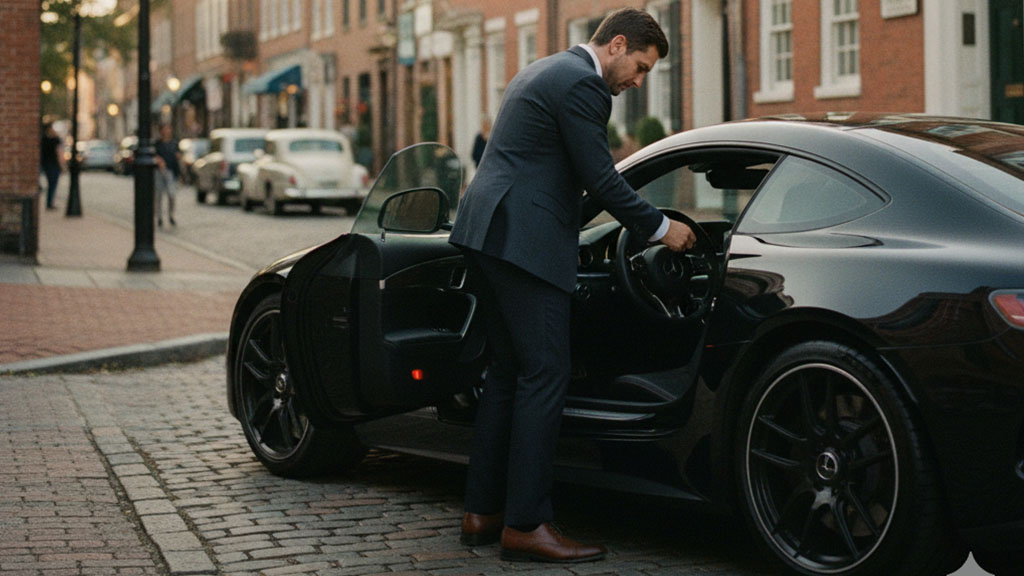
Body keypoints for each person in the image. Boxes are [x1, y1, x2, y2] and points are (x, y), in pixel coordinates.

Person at [448, 7, 695, 564]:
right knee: (546, 374)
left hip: (486, 233)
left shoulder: (542, 70)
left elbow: (548, 174)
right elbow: (602, 177)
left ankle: (481, 513)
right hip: (525, 246)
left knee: (508, 373)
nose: (637, 81)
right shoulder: (586, 85)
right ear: (617, 45)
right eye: (640, 67)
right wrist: (660, 228)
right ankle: (527, 525)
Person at [154, 123, 181, 227]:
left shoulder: (174, 143)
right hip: (160, 172)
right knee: (159, 195)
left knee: (171, 194)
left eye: (169, 129)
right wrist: (159, 161)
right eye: (165, 129)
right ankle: (159, 217)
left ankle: (171, 215)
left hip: (171, 171)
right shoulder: (157, 143)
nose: (167, 131)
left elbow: (177, 157)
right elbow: (154, 155)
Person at [40, 123, 64, 210]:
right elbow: (59, 153)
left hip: (46, 164)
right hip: (53, 165)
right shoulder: (55, 140)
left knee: (51, 184)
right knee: (53, 184)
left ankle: (49, 202)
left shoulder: (43, 139)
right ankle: (49, 203)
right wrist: (62, 165)